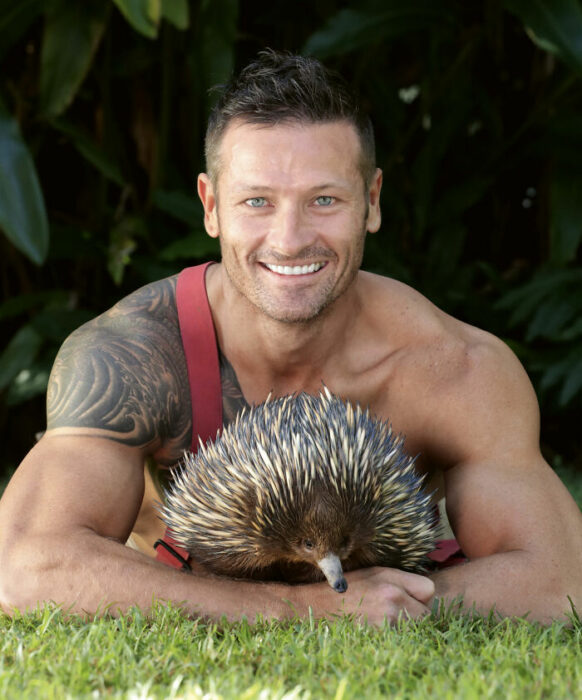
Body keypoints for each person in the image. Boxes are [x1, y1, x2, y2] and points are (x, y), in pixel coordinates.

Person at [0, 50, 580, 625]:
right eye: (257, 202)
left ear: (372, 202)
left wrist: (396, 607)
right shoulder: (134, 358)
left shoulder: (457, 370)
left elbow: (562, 580)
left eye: (323, 200)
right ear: (211, 207)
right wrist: (306, 610)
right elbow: (21, 567)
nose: (290, 239)